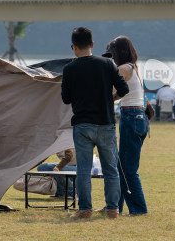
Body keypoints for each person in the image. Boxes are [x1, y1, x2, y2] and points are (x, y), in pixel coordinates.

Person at [61, 27, 129, 220]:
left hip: (82, 125)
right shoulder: (107, 63)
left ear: (73, 47)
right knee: (111, 169)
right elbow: (123, 88)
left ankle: (85, 210)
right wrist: (110, 98)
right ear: (92, 44)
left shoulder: (69, 68)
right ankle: (113, 209)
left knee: (83, 169)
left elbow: (66, 99)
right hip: (106, 123)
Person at [105, 35, 149, 216]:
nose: (111, 58)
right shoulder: (133, 67)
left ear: (118, 52)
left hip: (131, 117)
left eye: (112, 54)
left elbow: (111, 92)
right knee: (123, 167)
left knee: (127, 169)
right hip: (138, 117)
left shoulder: (123, 68)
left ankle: (139, 209)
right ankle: (115, 206)